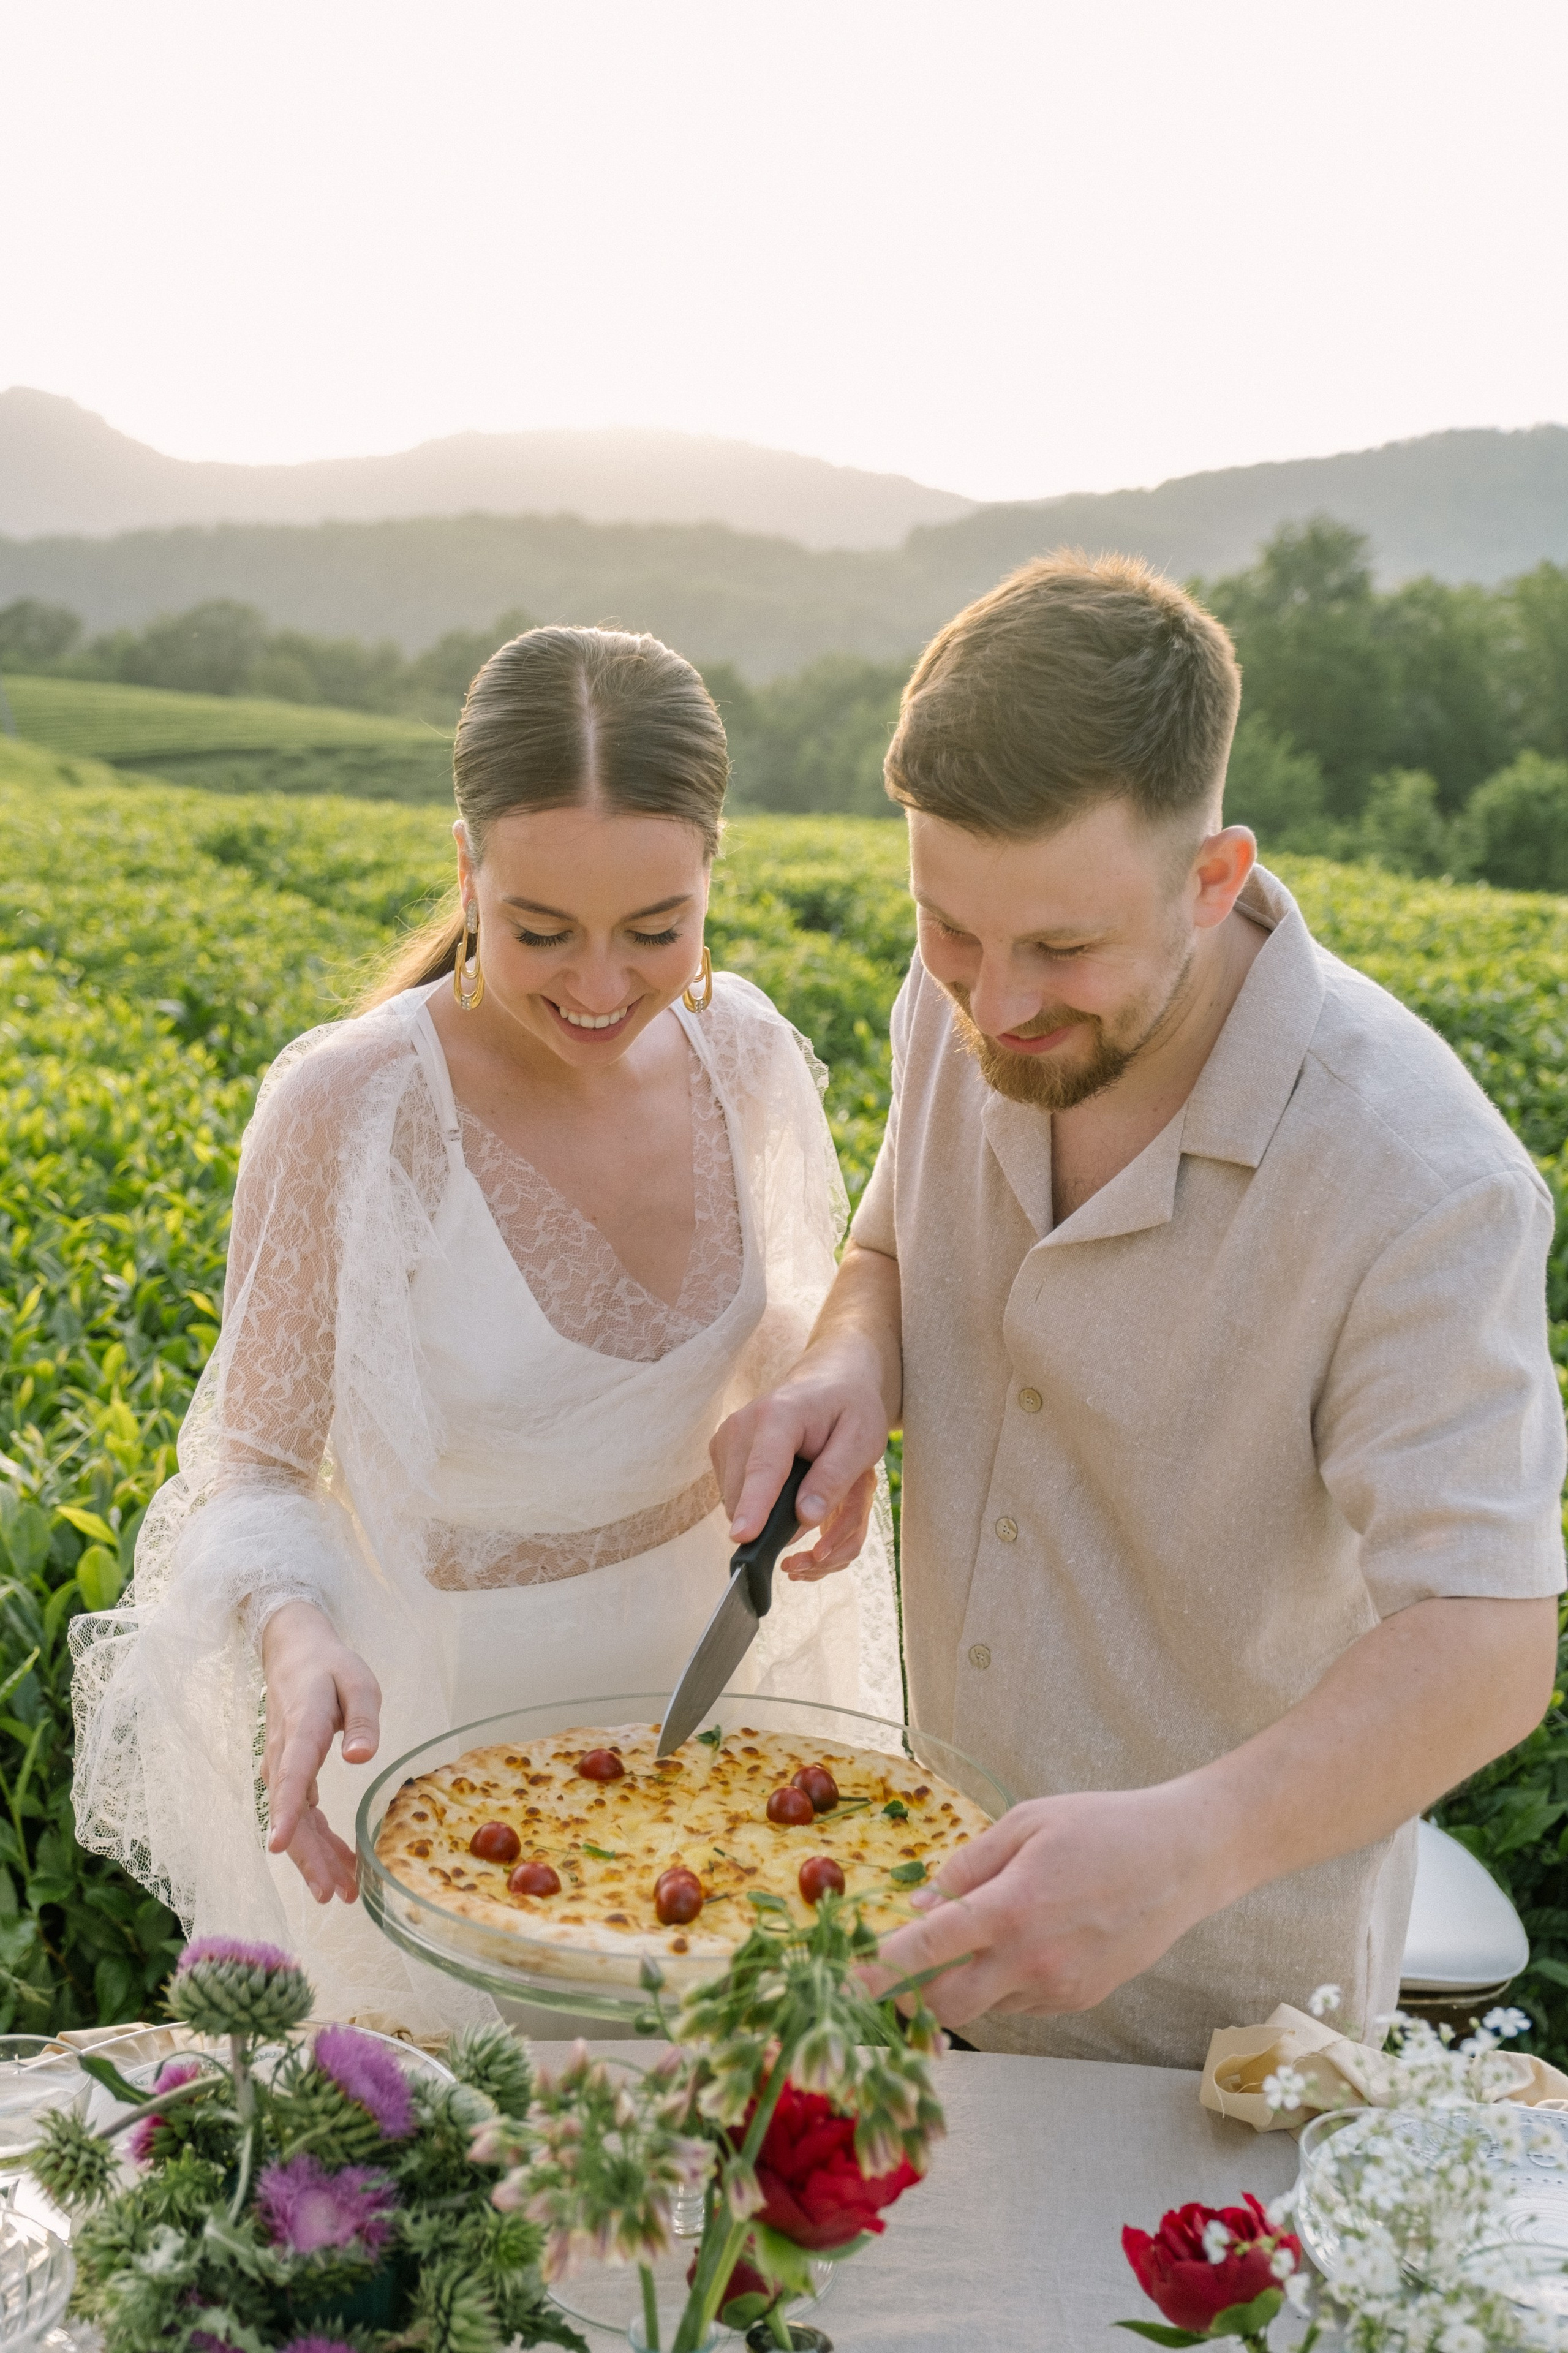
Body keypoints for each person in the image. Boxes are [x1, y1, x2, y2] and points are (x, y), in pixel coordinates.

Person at [714, 554, 1565, 2069]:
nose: (996, 1001)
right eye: (948, 930)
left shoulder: (1420, 1179)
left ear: (1213, 878)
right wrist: (852, 1358)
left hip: (1216, 2018)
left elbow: (1489, 1638)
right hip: (925, 1918)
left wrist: (1185, 1849)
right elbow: (892, 1248)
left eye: (1062, 947)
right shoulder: (964, 998)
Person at [72, 625, 900, 2031]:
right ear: (465, 869)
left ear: (714, 876)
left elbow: (787, 1326)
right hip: (442, 1733)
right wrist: (288, 1632)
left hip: (701, 1694)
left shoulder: (748, 1055)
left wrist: (818, 1418)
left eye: (655, 929)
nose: (596, 984)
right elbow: (254, 1468)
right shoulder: (355, 1105)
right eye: (538, 930)